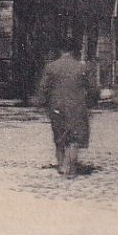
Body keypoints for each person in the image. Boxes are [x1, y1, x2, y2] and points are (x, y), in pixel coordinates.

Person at [32, 45, 93, 178]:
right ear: (74, 51)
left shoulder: (51, 67)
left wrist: (41, 103)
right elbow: (92, 89)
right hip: (76, 107)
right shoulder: (82, 68)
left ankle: (61, 165)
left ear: (61, 50)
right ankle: (71, 169)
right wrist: (92, 102)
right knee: (74, 138)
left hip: (56, 107)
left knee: (59, 136)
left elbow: (43, 88)